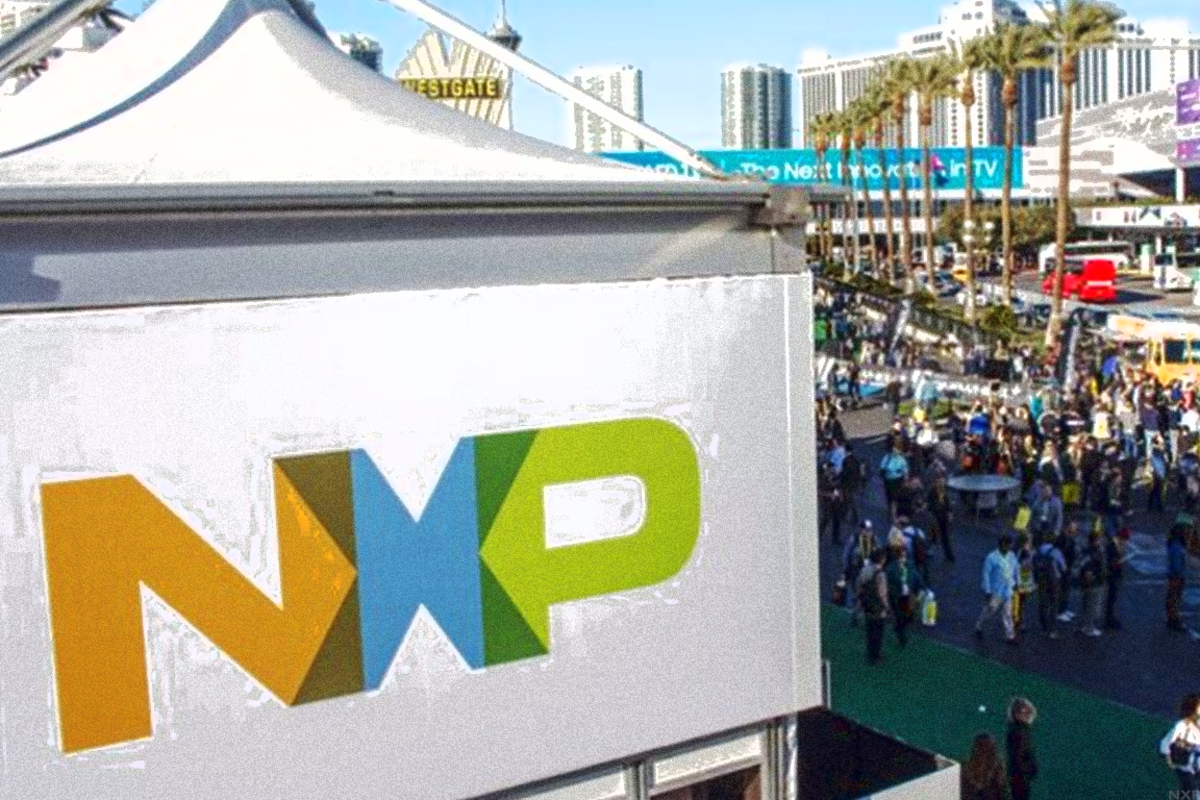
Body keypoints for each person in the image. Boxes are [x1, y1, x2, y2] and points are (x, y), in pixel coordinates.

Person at [975, 534, 1017, 645]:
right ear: (1003, 544)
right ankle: (979, 624)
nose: (1010, 547)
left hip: (1007, 590)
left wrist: (1016, 582)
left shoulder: (1012, 556)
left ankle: (1010, 636)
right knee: (990, 610)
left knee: (1008, 614)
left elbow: (1015, 570)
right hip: (995, 590)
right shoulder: (992, 557)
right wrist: (987, 590)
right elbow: (986, 574)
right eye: (1008, 544)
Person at [1161, 693, 1200, 793]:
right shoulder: (1183, 726)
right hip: (1186, 769)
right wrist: (1169, 759)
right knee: (1189, 792)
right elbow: (1165, 744)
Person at [886, 545, 923, 647]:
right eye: (901, 555)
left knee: (908, 615)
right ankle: (901, 637)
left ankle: (900, 629)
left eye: (904, 555)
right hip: (896, 595)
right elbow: (888, 582)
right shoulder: (891, 568)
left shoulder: (909, 565)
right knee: (899, 616)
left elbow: (916, 576)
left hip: (908, 595)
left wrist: (921, 587)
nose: (903, 557)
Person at [857, 548, 890, 665]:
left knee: (869, 629)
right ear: (882, 560)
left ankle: (869, 654)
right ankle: (876, 656)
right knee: (878, 631)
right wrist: (886, 606)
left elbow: (859, 585)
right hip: (878, 607)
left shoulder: (865, 570)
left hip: (867, 604)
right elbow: (882, 593)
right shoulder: (880, 574)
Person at [1032, 534, 1067, 639]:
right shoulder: (1056, 552)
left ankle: (1044, 628)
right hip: (1054, 581)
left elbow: (1034, 567)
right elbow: (1063, 567)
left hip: (1042, 580)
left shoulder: (1037, 552)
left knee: (1043, 603)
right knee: (1054, 605)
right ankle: (1052, 630)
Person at [1075, 524, 1107, 637]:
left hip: (1088, 582)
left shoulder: (1086, 551)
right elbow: (1090, 568)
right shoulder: (1094, 552)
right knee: (1092, 606)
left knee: (1085, 604)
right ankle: (1089, 628)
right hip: (1093, 582)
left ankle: (1082, 626)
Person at [1006, 697, 1039, 800]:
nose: (1027, 715)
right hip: (1019, 776)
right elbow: (1019, 755)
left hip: (1017, 775)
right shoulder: (1020, 731)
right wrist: (1028, 768)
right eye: (1024, 712)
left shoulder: (1017, 730)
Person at [960, 732, 1006, 800]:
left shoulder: (997, 776)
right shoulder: (961, 774)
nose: (990, 755)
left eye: (992, 750)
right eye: (984, 750)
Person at [1055, 520, 1080, 623]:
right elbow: (1059, 554)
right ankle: (1060, 612)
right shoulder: (1062, 538)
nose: (1076, 529)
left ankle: (1064, 609)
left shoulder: (1069, 538)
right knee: (1063, 590)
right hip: (1063, 569)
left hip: (1068, 568)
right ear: (1068, 527)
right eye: (1074, 527)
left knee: (1067, 590)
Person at [1105, 525, 1129, 630]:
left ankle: (1111, 617)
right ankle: (1108, 619)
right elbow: (1111, 560)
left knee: (1113, 597)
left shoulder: (1117, 544)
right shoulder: (1112, 545)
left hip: (1115, 574)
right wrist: (1117, 563)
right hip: (1112, 574)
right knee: (1111, 597)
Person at [1168, 524, 1189, 633]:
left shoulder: (1174, 544)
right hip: (1176, 575)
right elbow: (1176, 563)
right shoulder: (1176, 546)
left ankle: (1172, 618)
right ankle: (1174, 619)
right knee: (1175, 598)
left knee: (1173, 597)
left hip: (1175, 575)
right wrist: (1178, 575)